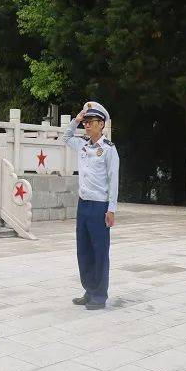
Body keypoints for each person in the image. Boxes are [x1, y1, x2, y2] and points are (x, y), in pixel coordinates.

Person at [63, 101, 119, 310]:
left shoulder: (108, 150)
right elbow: (66, 138)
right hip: (83, 205)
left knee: (99, 251)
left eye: (90, 122)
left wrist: (111, 209)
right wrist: (75, 120)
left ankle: (99, 295)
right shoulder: (82, 145)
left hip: (99, 206)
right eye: (85, 122)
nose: (86, 125)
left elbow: (113, 181)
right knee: (84, 250)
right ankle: (89, 289)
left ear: (101, 124)